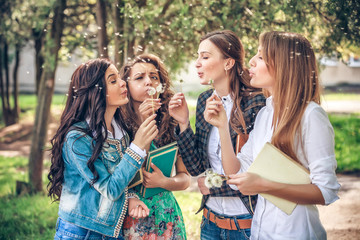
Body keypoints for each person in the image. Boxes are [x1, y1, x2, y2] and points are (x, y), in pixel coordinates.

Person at [205, 31, 341, 239]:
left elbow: (325, 191)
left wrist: (264, 185)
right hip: (261, 231)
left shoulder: (311, 116)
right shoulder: (265, 114)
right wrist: (223, 128)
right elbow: (236, 171)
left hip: (295, 232)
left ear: (283, 65)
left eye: (260, 56)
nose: (251, 61)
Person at [169, 30, 265, 239]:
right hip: (210, 222)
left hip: (246, 223)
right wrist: (184, 122)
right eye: (197, 56)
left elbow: (258, 177)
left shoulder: (256, 104)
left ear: (228, 63)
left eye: (205, 56)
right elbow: (196, 169)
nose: (197, 63)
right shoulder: (206, 100)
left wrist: (214, 185)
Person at [48, 58, 158, 240]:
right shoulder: (77, 138)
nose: (123, 83)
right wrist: (137, 148)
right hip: (81, 232)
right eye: (113, 81)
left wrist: (130, 197)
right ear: (95, 92)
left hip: (110, 230)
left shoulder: (119, 129)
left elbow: (116, 175)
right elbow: (109, 189)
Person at [120, 53, 190, 239]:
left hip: (166, 217)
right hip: (130, 216)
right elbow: (128, 174)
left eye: (154, 77)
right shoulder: (117, 126)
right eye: (139, 77)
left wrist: (165, 182)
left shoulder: (171, 123)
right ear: (126, 86)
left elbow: (185, 179)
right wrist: (145, 121)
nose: (148, 82)